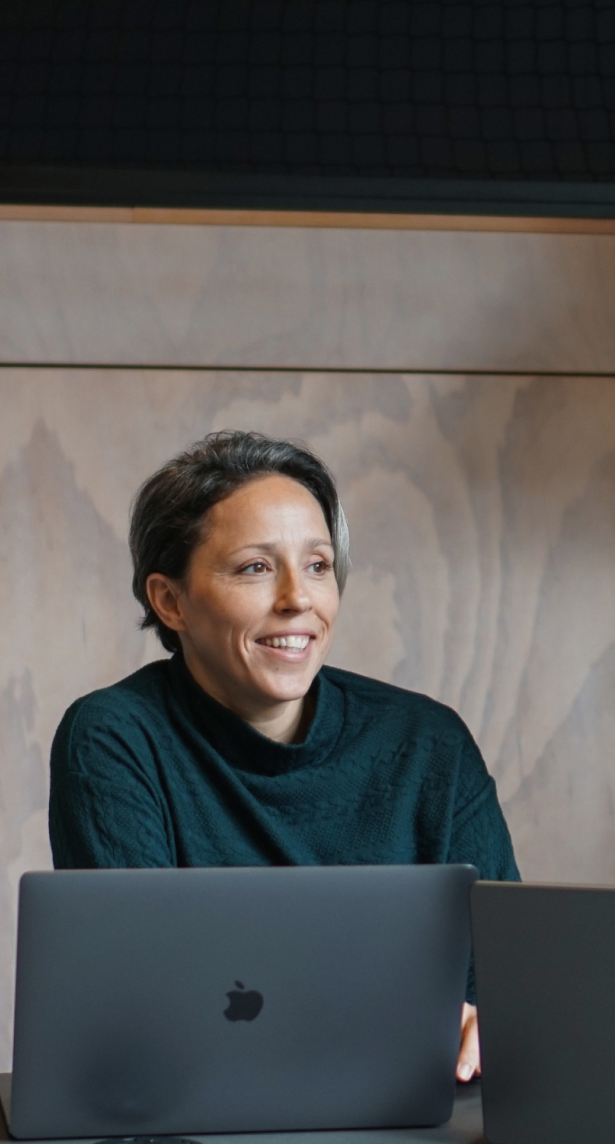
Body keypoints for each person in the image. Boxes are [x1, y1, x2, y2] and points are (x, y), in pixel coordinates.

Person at [47, 429, 520, 1082]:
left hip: (409, 1110)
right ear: (169, 600)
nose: (299, 597)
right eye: (254, 567)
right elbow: (144, 1002)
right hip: (203, 1116)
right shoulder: (113, 740)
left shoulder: (428, 744)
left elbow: (501, 989)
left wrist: (482, 1028)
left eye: (319, 565)